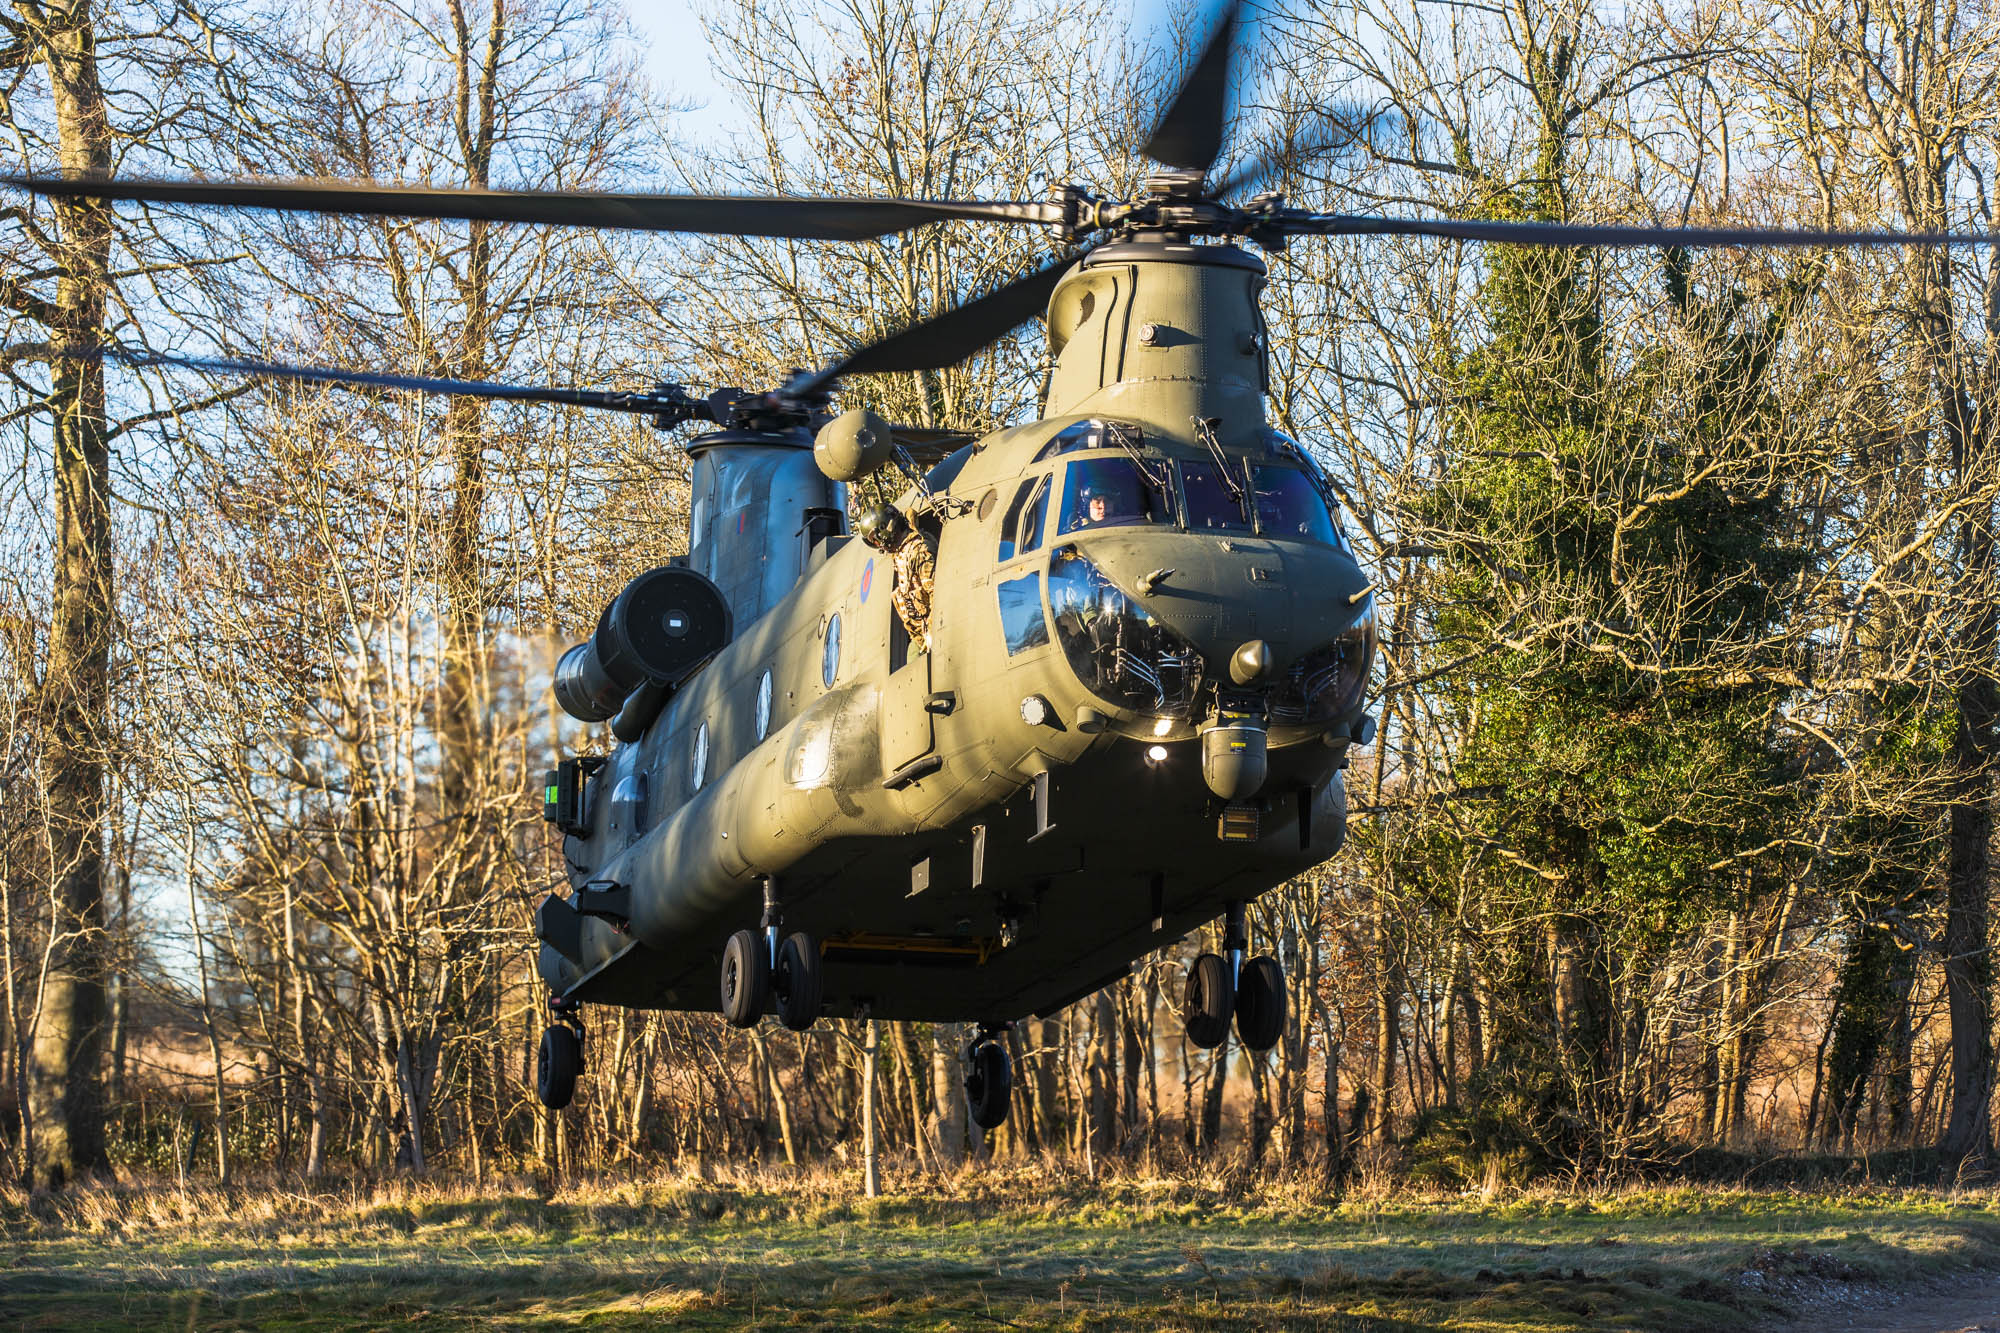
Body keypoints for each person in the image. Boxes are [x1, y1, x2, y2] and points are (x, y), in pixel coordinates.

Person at [857, 504, 936, 653]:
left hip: (932, 632)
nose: (878, 545)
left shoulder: (918, 550)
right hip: (920, 636)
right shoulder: (901, 554)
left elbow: (935, 594)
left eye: (876, 540)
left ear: (884, 530)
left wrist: (932, 633)